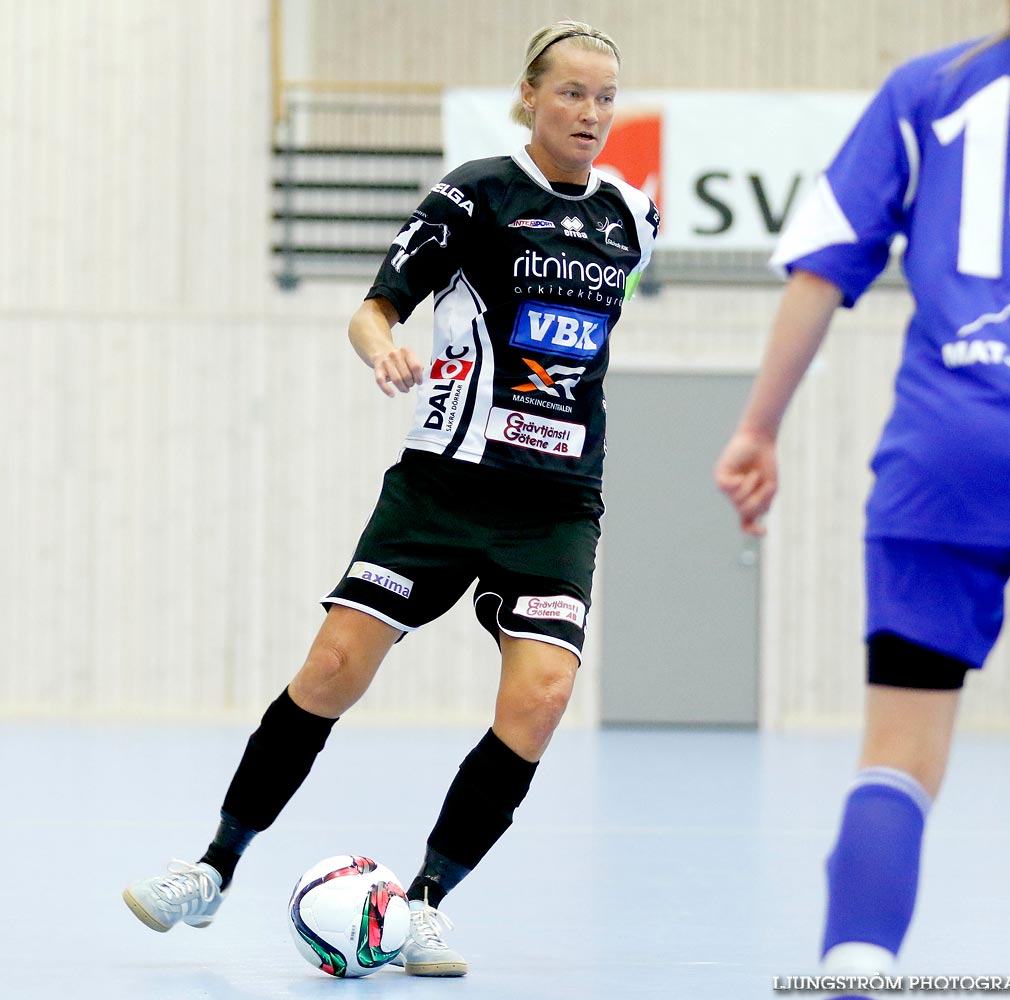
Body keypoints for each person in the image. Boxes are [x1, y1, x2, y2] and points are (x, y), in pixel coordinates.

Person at [122, 19, 658, 977]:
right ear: (530, 97)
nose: (590, 113)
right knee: (333, 666)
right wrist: (389, 352)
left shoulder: (631, 216)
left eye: (606, 96)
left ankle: (426, 903)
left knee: (540, 700)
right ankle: (211, 868)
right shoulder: (474, 195)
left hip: (557, 503)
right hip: (441, 490)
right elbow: (375, 309)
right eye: (571, 92)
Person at [716, 0, 1010, 992]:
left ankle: (855, 963)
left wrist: (758, 429)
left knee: (899, 752)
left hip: (946, 456)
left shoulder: (929, 89)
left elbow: (819, 272)